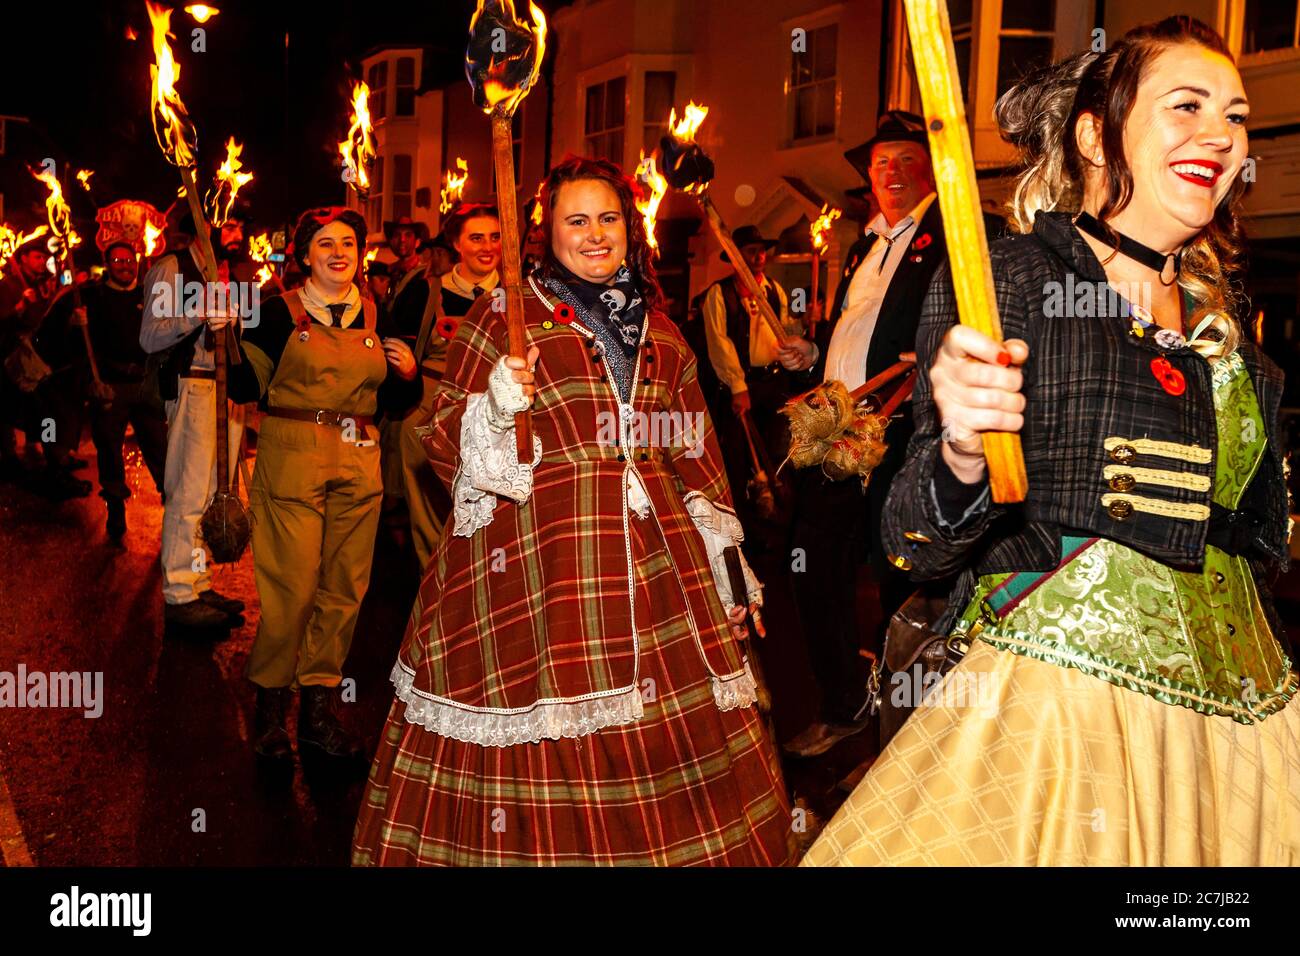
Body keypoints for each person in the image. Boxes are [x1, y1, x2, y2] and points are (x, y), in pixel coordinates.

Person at [805, 16, 1299, 866]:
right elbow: (909, 540)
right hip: (1067, 722)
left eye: (1235, 116)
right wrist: (963, 450)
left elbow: (1258, 542)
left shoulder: (1228, 323)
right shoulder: (1016, 278)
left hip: (1247, 729)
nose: (1219, 136)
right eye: (1186, 106)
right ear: (1095, 136)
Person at [353, 156, 792, 866]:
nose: (595, 236)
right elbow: (440, 437)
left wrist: (725, 567)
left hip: (660, 573)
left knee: (671, 755)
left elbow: (694, 451)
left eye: (609, 219)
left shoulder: (666, 332)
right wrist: (495, 405)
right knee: (543, 745)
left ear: (631, 228)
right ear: (546, 234)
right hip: (535, 570)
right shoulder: (505, 316)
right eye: (576, 221)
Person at [783, 111, 1001, 758]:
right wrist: (813, 349)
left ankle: (905, 745)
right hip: (837, 432)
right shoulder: (862, 245)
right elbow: (861, 327)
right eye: (883, 163)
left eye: (910, 160)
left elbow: (978, 311)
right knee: (812, 569)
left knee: (902, 583)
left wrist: (929, 356)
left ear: (930, 170)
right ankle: (846, 703)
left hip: (904, 431)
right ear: (869, 177)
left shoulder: (957, 231)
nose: (895, 173)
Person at [227, 206, 420, 762]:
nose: (339, 252)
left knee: (344, 593)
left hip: (359, 461)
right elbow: (244, 387)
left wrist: (407, 375)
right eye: (325, 244)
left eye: (348, 243)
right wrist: (225, 340)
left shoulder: (380, 315)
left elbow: (396, 405)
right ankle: (269, 711)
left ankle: (317, 715)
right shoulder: (274, 314)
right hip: (292, 458)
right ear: (305, 255)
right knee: (293, 593)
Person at [140, 214, 249, 633]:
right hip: (193, 385)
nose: (239, 234)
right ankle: (179, 595)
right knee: (186, 493)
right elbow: (150, 337)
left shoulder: (230, 272)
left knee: (210, 494)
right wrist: (197, 314)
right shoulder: (171, 268)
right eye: (232, 224)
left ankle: (199, 581)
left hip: (226, 391)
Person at [398, 203, 503, 570]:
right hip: (430, 411)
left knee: (490, 524)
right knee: (431, 524)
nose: (487, 246)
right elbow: (394, 346)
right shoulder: (424, 292)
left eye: (495, 237)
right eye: (476, 238)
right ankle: (435, 601)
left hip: (494, 421)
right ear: (457, 244)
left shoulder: (521, 295)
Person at [699, 225, 816, 532]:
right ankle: (742, 527)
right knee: (740, 461)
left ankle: (775, 524)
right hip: (741, 387)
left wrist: (803, 327)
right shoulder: (719, 293)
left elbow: (786, 333)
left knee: (776, 455)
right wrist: (738, 386)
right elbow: (719, 345)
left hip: (773, 386)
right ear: (736, 258)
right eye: (751, 251)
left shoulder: (774, 291)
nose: (759, 256)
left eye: (761, 250)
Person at [79, 241, 168, 542]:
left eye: (129, 260)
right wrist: (75, 322)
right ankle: (115, 505)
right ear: (107, 263)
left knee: (160, 448)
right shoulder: (91, 297)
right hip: (110, 387)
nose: (124, 265)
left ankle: (172, 505)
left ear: (137, 262)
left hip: (145, 385)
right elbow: (75, 343)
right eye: (117, 260)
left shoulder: (150, 295)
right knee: (109, 450)